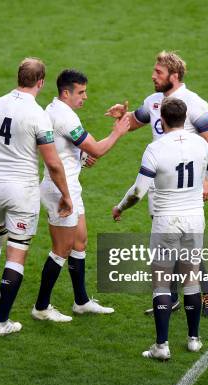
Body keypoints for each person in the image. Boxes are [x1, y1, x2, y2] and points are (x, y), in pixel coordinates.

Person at [105, 50, 208, 316]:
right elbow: (137, 120)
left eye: (158, 72)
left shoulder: (195, 103)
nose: (153, 75)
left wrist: (206, 179)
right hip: (159, 184)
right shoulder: (155, 101)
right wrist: (124, 115)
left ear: (174, 76)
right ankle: (173, 296)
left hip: (186, 185)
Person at [112, 97, 208, 360]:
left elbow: (138, 192)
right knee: (191, 279)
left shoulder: (155, 148)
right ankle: (194, 339)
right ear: (185, 119)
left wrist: (119, 208)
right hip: (194, 220)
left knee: (161, 283)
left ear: (161, 120)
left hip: (165, 222)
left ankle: (161, 347)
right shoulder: (201, 145)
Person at [0, 58, 73, 336]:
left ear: (19, 77)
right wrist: (65, 195)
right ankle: (2, 323)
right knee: (17, 252)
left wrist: (4, 150)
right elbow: (53, 164)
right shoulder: (38, 114)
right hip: (21, 190)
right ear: (41, 82)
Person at [31, 69, 130, 322]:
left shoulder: (57, 111)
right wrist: (118, 131)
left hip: (70, 185)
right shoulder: (64, 117)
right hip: (60, 190)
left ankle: (81, 301)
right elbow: (97, 148)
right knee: (61, 249)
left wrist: (84, 156)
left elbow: (86, 151)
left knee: (80, 242)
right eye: (81, 92)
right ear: (66, 92)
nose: (85, 97)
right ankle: (41, 307)